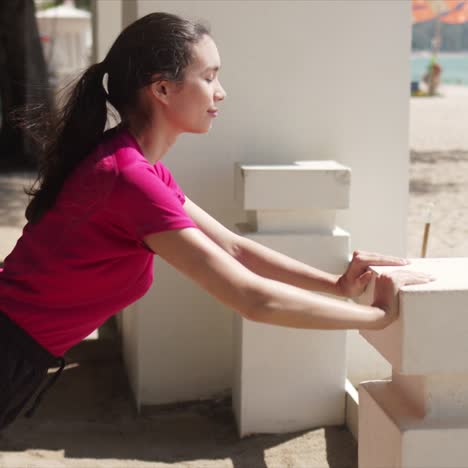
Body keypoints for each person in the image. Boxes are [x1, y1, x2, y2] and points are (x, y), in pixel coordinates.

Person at [0, 12, 432, 432]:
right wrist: (374, 319)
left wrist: (336, 285)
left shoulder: (137, 166)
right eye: (208, 77)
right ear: (163, 89)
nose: (220, 92)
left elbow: (233, 249)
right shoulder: (126, 177)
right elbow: (251, 299)